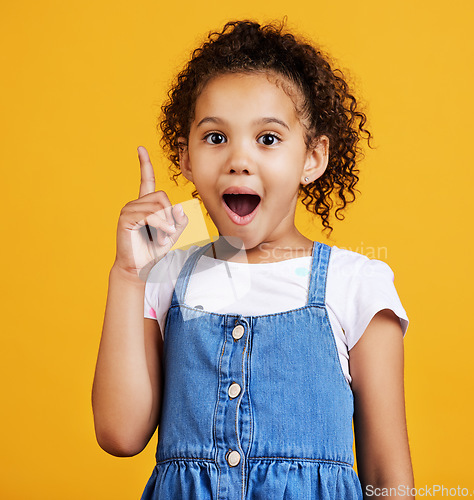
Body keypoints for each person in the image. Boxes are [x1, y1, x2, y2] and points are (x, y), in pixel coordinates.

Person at [92, 19, 415, 499]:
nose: (238, 160)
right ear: (185, 157)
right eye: (216, 138)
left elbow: (388, 479)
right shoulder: (163, 278)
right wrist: (127, 274)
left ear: (313, 157)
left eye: (267, 138)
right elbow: (120, 434)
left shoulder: (356, 284)